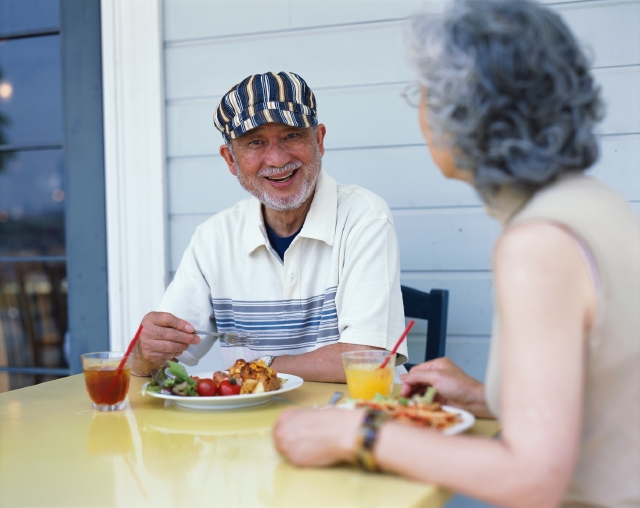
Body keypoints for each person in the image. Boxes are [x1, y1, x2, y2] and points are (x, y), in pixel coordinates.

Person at [273, 1, 640, 506]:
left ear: (463, 112)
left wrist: (357, 433)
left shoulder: (537, 244)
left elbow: (532, 479)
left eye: (422, 94)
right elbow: (604, 410)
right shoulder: (598, 203)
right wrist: (486, 398)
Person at [131, 71, 408, 382]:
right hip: (253, 425)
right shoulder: (213, 238)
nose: (277, 159)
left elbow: (368, 359)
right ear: (231, 160)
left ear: (318, 140)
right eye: (255, 142)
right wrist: (144, 351)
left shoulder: (364, 217)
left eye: (291, 135)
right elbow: (156, 362)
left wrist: (253, 370)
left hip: (358, 419)